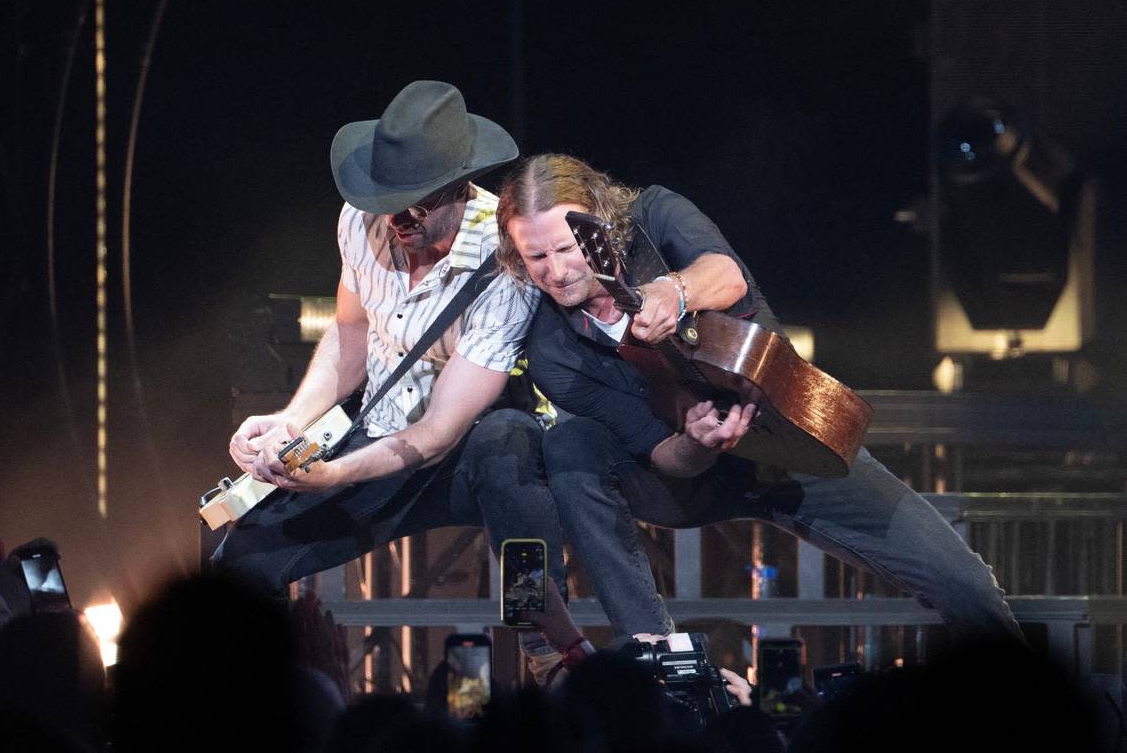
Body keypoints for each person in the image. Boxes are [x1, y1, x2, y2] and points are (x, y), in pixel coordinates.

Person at [495, 153, 1024, 646]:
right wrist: (698, 444)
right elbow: (659, 452)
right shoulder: (552, 350)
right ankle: (653, 655)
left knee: (966, 585)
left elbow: (724, 273)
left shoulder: (654, 215)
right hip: (687, 480)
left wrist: (672, 292)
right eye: (535, 256)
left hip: (786, 445)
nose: (556, 272)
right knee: (569, 446)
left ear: (600, 224)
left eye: (565, 248)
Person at [213, 83, 566, 647]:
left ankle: (546, 643)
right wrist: (292, 423)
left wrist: (330, 475)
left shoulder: (504, 260)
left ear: (460, 189)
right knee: (239, 563)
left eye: (418, 202)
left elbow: (437, 433)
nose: (397, 217)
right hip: (380, 442)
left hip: (464, 453)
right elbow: (351, 331)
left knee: (509, 447)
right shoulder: (359, 222)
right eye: (386, 200)